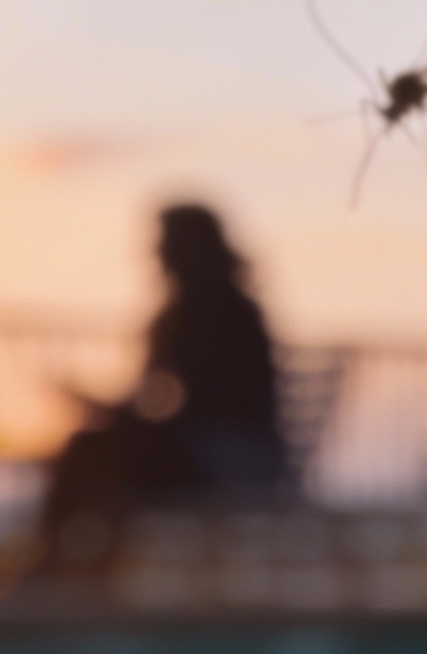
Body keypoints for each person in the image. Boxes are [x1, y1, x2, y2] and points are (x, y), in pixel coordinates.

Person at [34, 203, 290, 569]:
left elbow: (170, 405)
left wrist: (108, 410)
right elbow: (153, 404)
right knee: (98, 450)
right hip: (218, 450)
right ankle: (73, 564)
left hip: (230, 458)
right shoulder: (205, 311)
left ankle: (57, 562)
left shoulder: (216, 314)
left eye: (165, 244)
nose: (157, 254)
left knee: (92, 449)